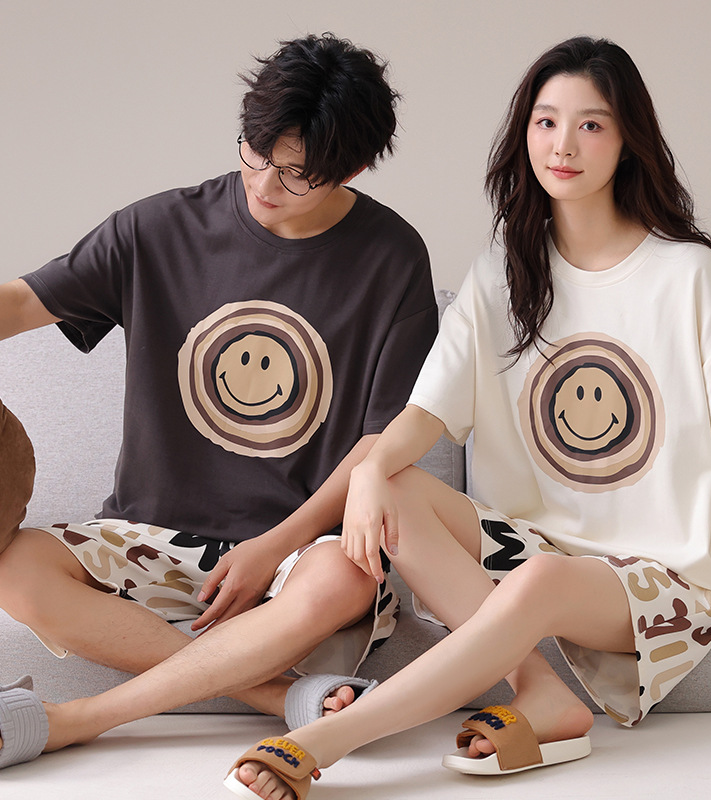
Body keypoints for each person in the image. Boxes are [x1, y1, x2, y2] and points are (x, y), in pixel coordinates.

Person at [219, 35, 711, 800]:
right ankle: (542, 695)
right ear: (525, 132)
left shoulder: (687, 275)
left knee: (544, 579)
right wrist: (368, 477)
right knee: (397, 485)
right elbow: (425, 413)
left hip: (669, 572)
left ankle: (324, 741)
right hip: (544, 549)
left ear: (629, 141)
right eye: (546, 121)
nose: (563, 145)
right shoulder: (502, 271)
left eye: (591, 125)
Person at [0, 33, 437, 770]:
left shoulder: (392, 257)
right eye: (256, 153)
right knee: (14, 568)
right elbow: (21, 302)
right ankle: (273, 696)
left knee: (349, 574)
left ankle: (80, 720)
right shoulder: (157, 228)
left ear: (353, 169)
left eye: (298, 174)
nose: (265, 184)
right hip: (147, 535)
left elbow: (381, 442)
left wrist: (274, 547)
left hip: (298, 549)